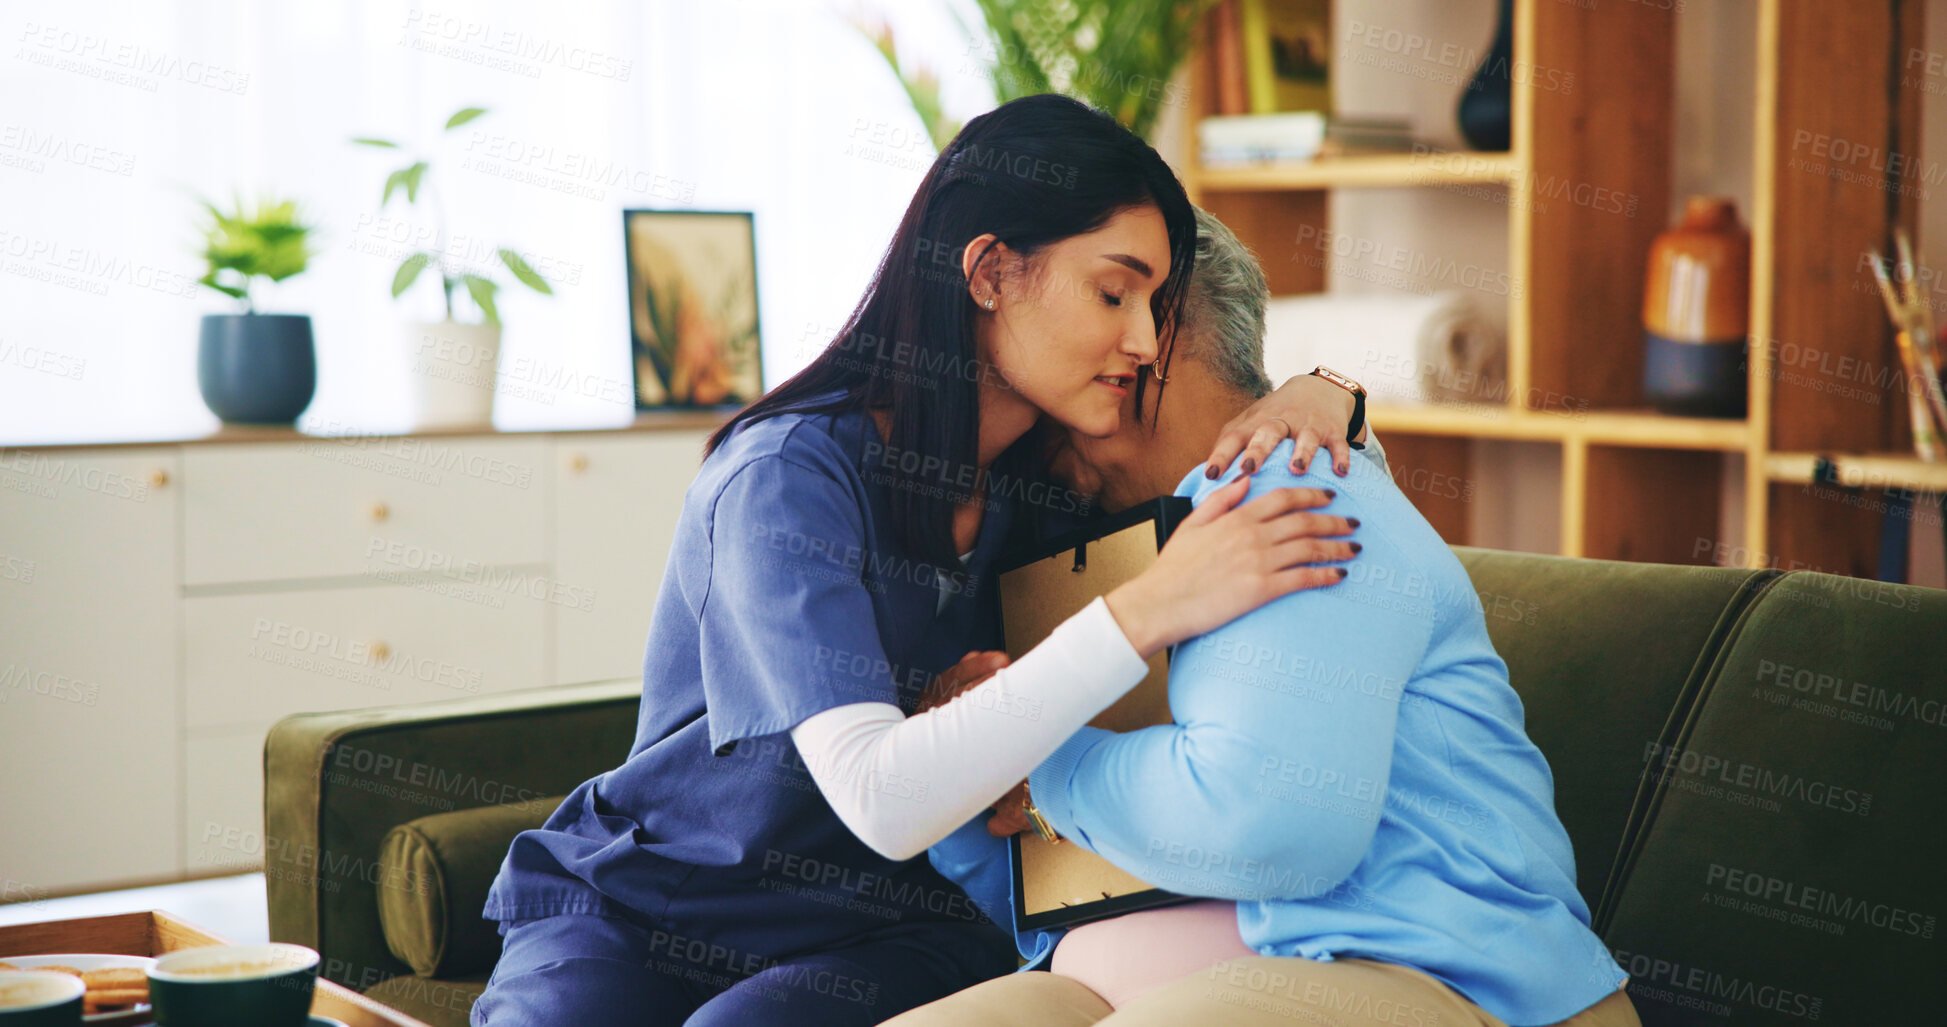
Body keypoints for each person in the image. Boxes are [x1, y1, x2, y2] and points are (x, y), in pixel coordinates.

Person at [470, 95, 1366, 1027]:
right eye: (1114, 292)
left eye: (1155, 305)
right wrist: (1145, 610)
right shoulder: (786, 479)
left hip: (897, 924)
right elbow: (882, 797)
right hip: (651, 904)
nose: (1142, 342)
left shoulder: (1052, 485)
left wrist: (1324, 391)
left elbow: (1260, 499)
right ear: (986, 271)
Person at [893, 210, 1642, 1027]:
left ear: (1148, 341)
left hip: (1429, 972)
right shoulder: (1090, 542)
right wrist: (967, 754)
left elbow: (1272, 824)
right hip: (1110, 976)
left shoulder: (1290, 484)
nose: (1032, 427)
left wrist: (1040, 768)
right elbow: (1029, 885)